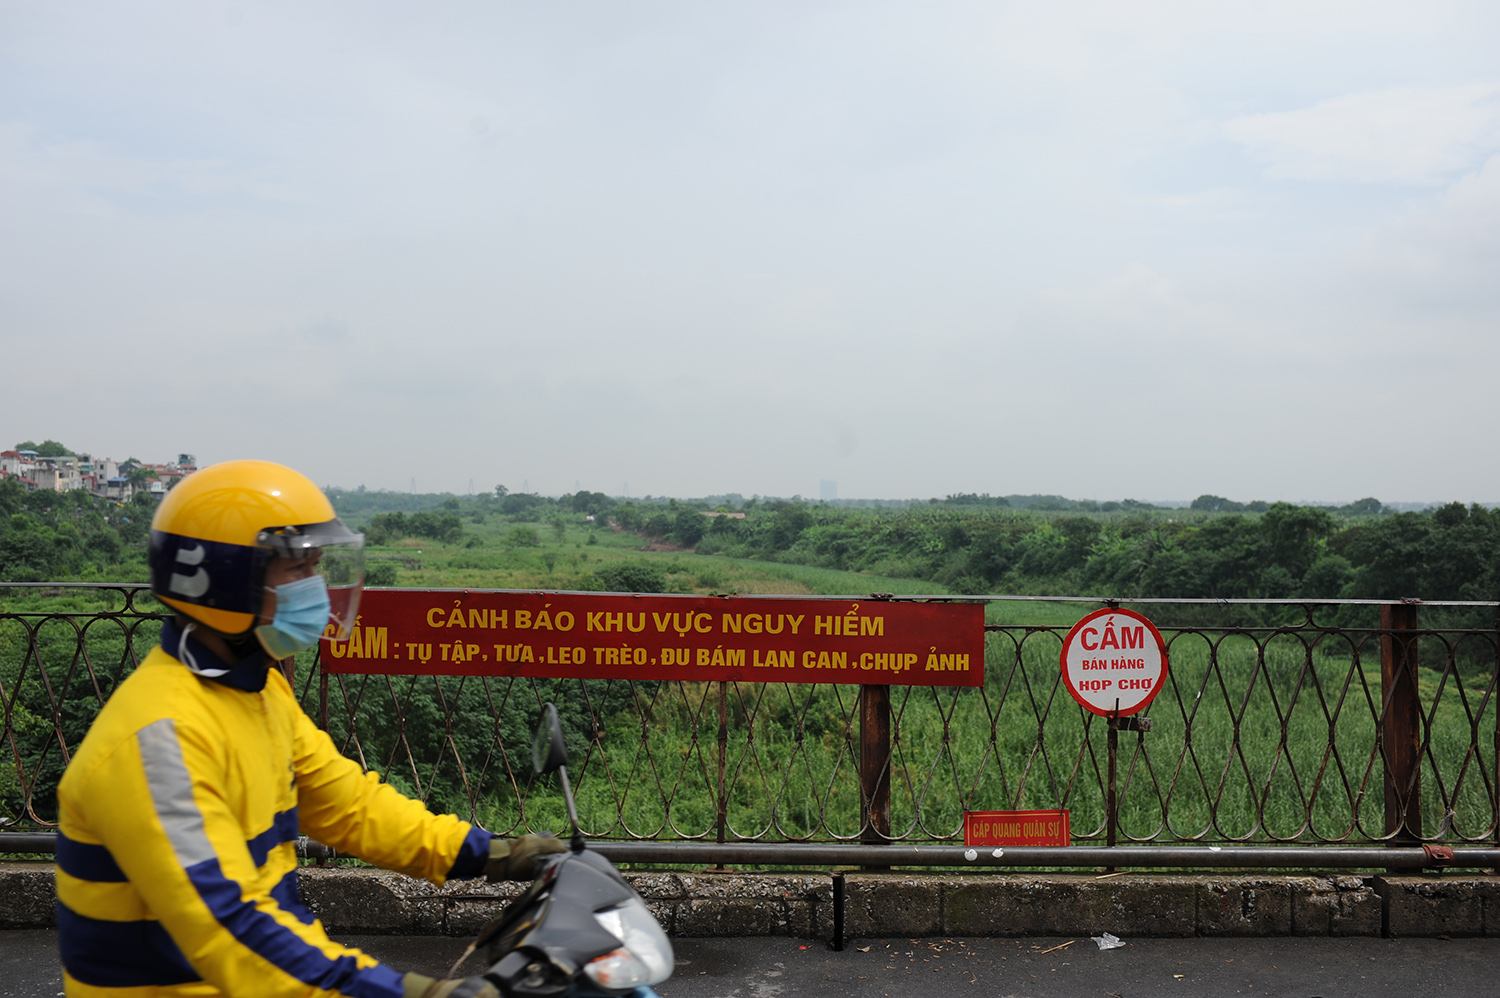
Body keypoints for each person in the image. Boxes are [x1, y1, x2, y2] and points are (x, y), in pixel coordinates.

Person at [55, 460, 562, 998]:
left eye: (318, 567)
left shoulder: (255, 691)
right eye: (298, 569)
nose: (316, 588)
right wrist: (412, 992)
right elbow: (233, 927)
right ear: (223, 581)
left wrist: (491, 854)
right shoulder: (158, 740)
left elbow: (351, 806)